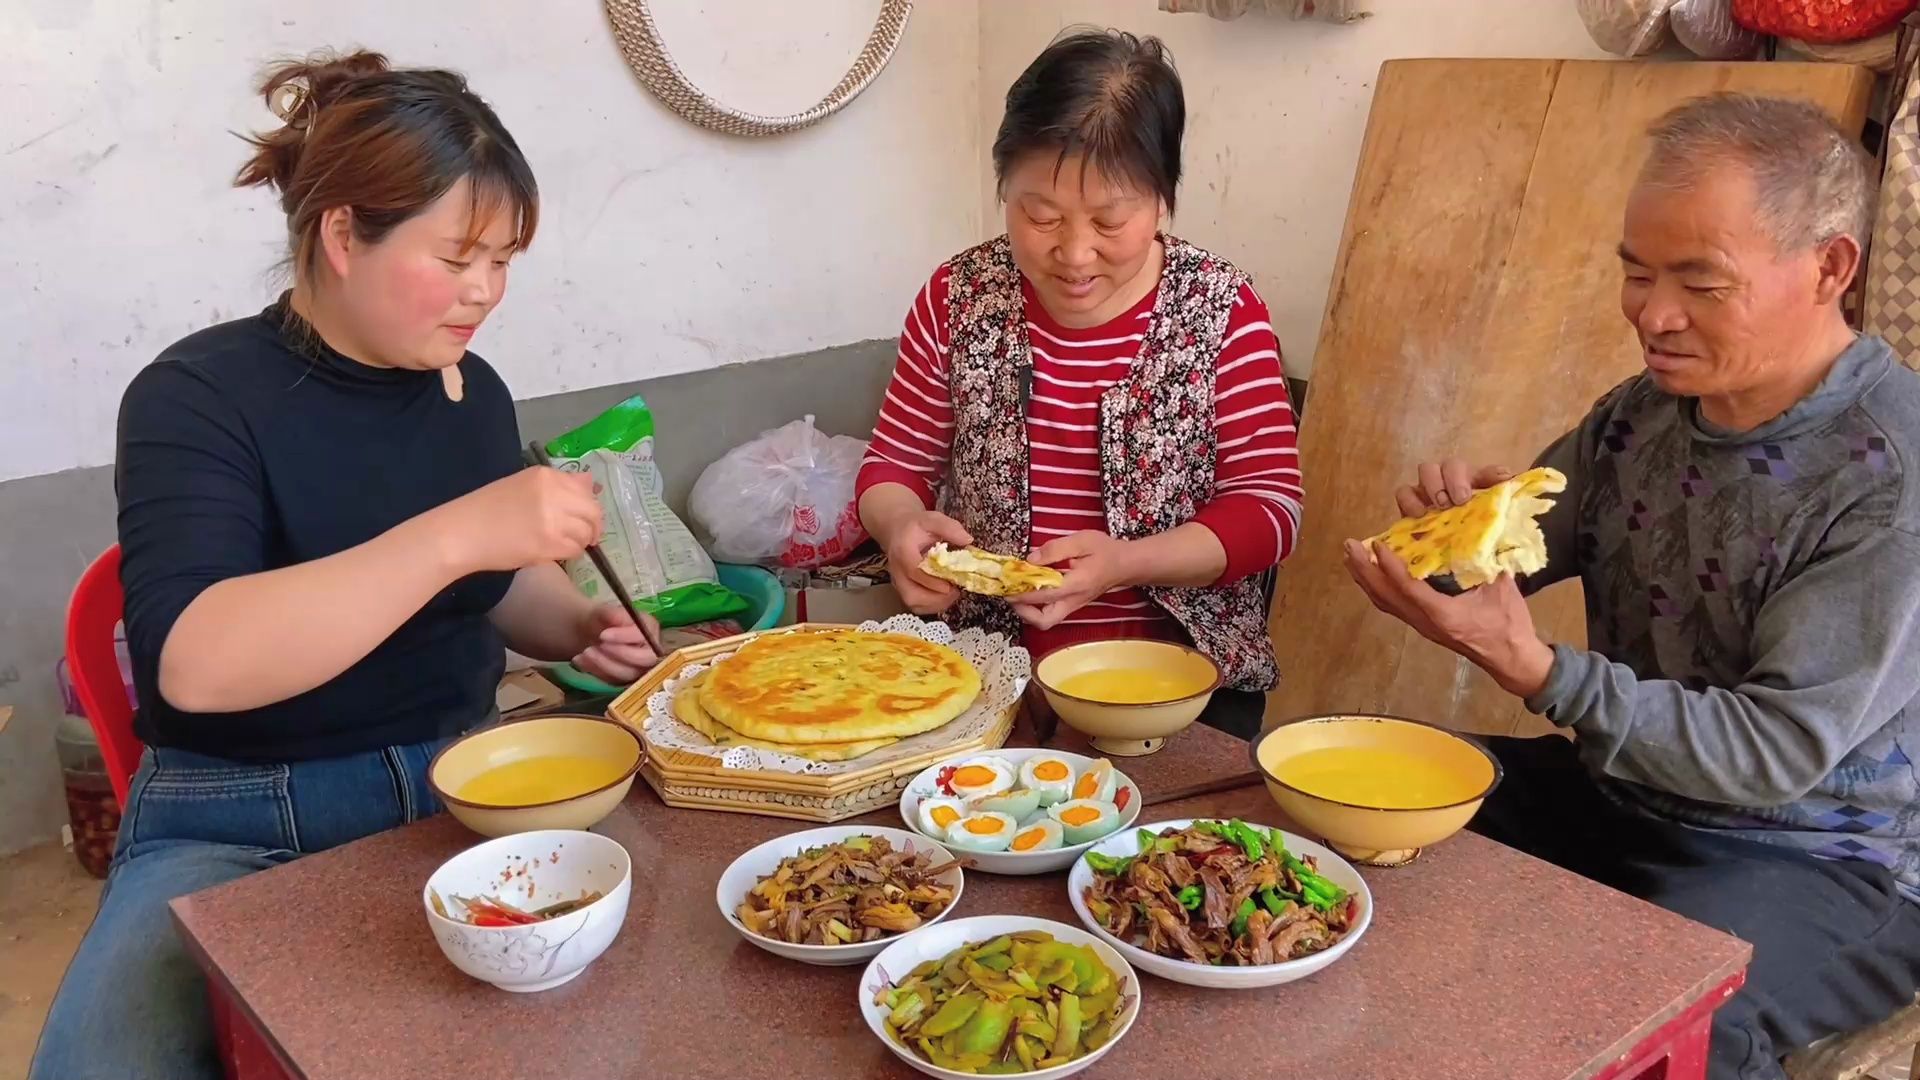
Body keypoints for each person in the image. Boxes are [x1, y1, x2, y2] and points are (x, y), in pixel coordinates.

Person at [30, 51, 659, 1080]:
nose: (485, 292)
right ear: (341, 234)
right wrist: (458, 530)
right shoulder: (196, 397)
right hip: (235, 819)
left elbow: (496, 595)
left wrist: (580, 626)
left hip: (465, 784)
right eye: (458, 257)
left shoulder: (472, 391)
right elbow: (198, 661)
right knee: (103, 1065)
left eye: (504, 261)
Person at [1345, 94, 1920, 1080]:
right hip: (1626, 798)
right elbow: (1525, 546)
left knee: (1668, 1010)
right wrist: (1453, 540)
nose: (1652, 314)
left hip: (1820, 856)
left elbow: (1777, 751)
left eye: (1700, 281)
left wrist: (1537, 670)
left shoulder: (1887, 475)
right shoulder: (1641, 414)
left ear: (1830, 267)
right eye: (1637, 271)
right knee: (1350, 796)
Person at [857, 29, 1303, 737]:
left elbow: (1271, 511)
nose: (1073, 252)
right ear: (1003, 188)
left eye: (1109, 219)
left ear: (1163, 199)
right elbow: (894, 465)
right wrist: (898, 526)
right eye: (1039, 216)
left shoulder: (1222, 310)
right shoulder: (959, 296)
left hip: (1180, 689)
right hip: (985, 675)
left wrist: (1124, 564)